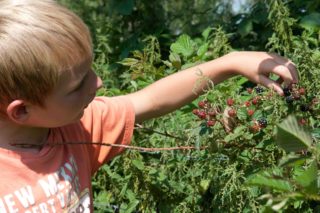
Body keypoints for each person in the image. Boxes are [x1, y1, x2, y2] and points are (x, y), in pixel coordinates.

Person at [0, 0, 298, 212]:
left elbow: (148, 100)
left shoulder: (75, 127)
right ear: (22, 111)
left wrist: (228, 63)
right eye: (79, 85)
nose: (98, 82)